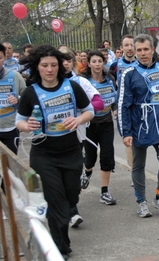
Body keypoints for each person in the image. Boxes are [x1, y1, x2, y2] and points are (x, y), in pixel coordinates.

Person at [16, 44, 94, 259]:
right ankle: (59, 246)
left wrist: (78, 119)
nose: (49, 69)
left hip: (71, 151)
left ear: (60, 66)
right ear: (37, 67)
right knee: (56, 199)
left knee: (71, 196)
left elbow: (90, 111)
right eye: (44, 65)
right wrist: (28, 125)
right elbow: (19, 121)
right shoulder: (31, 92)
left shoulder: (72, 87)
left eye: (53, 65)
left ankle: (62, 238)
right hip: (43, 154)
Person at [118, 34, 159, 218]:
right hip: (140, 126)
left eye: (146, 49)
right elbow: (123, 104)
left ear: (153, 49)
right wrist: (126, 132)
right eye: (138, 50)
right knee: (138, 165)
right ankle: (141, 202)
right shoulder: (128, 74)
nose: (142, 53)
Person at [60, 47, 104, 227]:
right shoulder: (44, 84)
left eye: (68, 60)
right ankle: (64, 209)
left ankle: (72, 210)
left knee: (72, 175)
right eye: (61, 60)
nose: (64, 64)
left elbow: (99, 103)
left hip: (76, 136)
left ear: (73, 62)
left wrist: (80, 110)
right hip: (51, 139)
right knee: (57, 176)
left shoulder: (79, 82)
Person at [81, 50, 117, 205]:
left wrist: (114, 107)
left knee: (107, 155)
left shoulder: (109, 78)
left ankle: (105, 191)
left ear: (104, 63)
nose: (97, 64)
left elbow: (114, 96)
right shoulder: (84, 81)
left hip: (106, 122)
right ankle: (87, 173)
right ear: (88, 64)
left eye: (100, 61)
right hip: (89, 124)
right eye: (94, 61)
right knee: (90, 157)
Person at [109, 35, 136, 170]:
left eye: (132, 45)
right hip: (124, 106)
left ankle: (136, 166)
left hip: (138, 106)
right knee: (129, 140)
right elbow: (110, 85)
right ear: (121, 48)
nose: (130, 48)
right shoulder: (115, 66)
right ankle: (133, 170)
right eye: (126, 45)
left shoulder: (142, 64)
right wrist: (115, 105)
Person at [0, 44, 26, 155]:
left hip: (10, 128)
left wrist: (18, 100)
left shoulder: (15, 76)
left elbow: (27, 99)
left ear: (4, 58)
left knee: (10, 165)